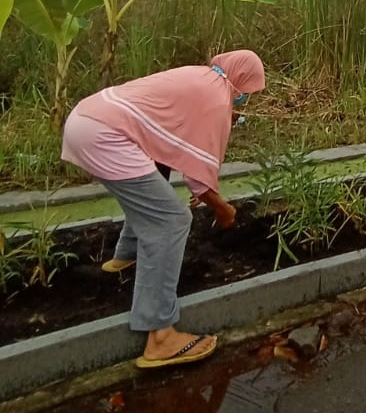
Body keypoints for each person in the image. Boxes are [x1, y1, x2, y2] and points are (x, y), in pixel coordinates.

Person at [61, 50, 265, 369]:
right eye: (247, 93)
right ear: (241, 82)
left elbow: (170, 143)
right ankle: (161, 337)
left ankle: (125, 256)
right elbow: (202, 168)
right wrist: (222, 208)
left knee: (153, 191)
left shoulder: (198, 76)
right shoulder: (216, 96)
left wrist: (202, 187)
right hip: (106, 136)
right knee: (171, 220)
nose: (243, 100)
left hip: (85, 120)